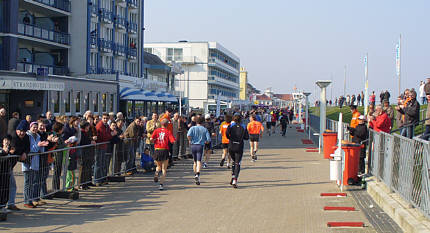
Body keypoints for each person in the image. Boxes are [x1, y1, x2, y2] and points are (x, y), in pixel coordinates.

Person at [25, 122, 48, 207]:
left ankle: (35, 198)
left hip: (36, 161)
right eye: (33, 127)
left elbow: (40, 150)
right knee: (29, 183)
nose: (35, 129)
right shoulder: (28, 136)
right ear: (30, 127)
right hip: (29, 162)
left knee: (36, 181)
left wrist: (42, 146)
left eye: (36, 127)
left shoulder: (38, 136)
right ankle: (28, 200)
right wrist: (38, 145)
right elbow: (31, 149)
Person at [151, 119, 176, 190]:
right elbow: (173, 141)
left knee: (158, 166)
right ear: (167, 125)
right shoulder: (168, 131)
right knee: (164, 169)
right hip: (164, 150)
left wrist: (155, 140)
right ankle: (161, 184)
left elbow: (151, 138)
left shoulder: (156, 130)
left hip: (157, 149)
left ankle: (156, 173)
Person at [226, 115, 249, 188]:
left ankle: (233, 176)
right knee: (237, 163)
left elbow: (226, 134)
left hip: (231, 146)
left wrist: (231, 138)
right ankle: (235, 179)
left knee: (233, 161)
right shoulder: (244, 127)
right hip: (239, 146)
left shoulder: (231, 125)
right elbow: (246, 137)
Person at [187, 116, 211, 185]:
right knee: (199, 161)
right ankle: (198, 174)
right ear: (203, 122)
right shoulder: (204, 129)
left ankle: (195, 174)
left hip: (193, 145)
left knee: (194, 162)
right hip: (200, 145)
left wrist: (190, 140)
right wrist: (205, 142)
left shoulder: (192, 128)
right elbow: (208, 139)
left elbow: (188, 135)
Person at [95, 113, 115, 186]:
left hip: (104, 146)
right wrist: (111, 135)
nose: (105, 119)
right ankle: (97, 180)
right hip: (99, 146)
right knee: (98, 164)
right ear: (102, 118)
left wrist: (111, 134)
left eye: (107, 118)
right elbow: (104, 136)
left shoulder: (106, 125)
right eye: (104, 118)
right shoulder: (100, 125)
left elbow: (109, 132)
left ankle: (102, 178)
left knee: (103, 163)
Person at [79, 121, 95, 190]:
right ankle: (82, 184)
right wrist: (90, 141)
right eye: (88, 126)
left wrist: (91, 140)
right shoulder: (81, 133)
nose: (89, 127)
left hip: (88, 152)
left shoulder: (87, 133)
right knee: (83, 168)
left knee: (88, 167)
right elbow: (83, 141)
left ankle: (87, 182)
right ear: (85, 126)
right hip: (83, 152)